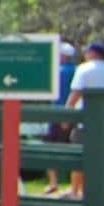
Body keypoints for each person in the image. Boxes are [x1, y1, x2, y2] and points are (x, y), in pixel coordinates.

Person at [64, 39, 104, 200]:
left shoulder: (83, 69)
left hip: (85, 120)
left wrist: (66, 115)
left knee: (79, 154)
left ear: (92, 53)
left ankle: (75, 190)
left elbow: (75, 94)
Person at [39, 39, 77, 196]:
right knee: (75, 149)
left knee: (50, 149)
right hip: (75, 114)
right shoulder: (77, 71)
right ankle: (75, 186)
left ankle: (53, 182)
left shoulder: (57, 72)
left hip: (57, 113)